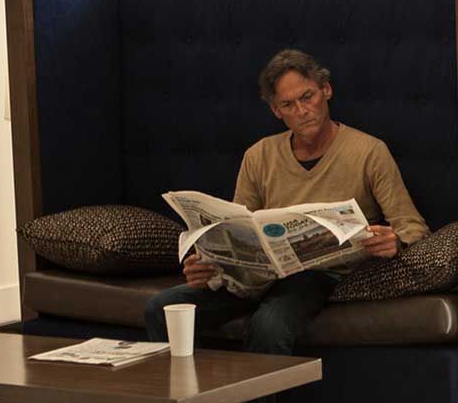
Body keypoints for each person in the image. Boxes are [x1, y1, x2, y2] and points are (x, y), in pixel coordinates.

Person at [142, 49, 428, 355]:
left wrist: (395, 241)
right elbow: (235, 228)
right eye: (288, 105)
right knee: (163, 307)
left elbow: (413, 226)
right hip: (259, 277)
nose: (302, 110)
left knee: (269, 325)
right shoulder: (259, 155)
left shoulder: (369, 151)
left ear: (326, 90)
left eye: (308, 97)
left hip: (322, 277)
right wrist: (210, 266)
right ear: (276, 111)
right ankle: (193, 401)